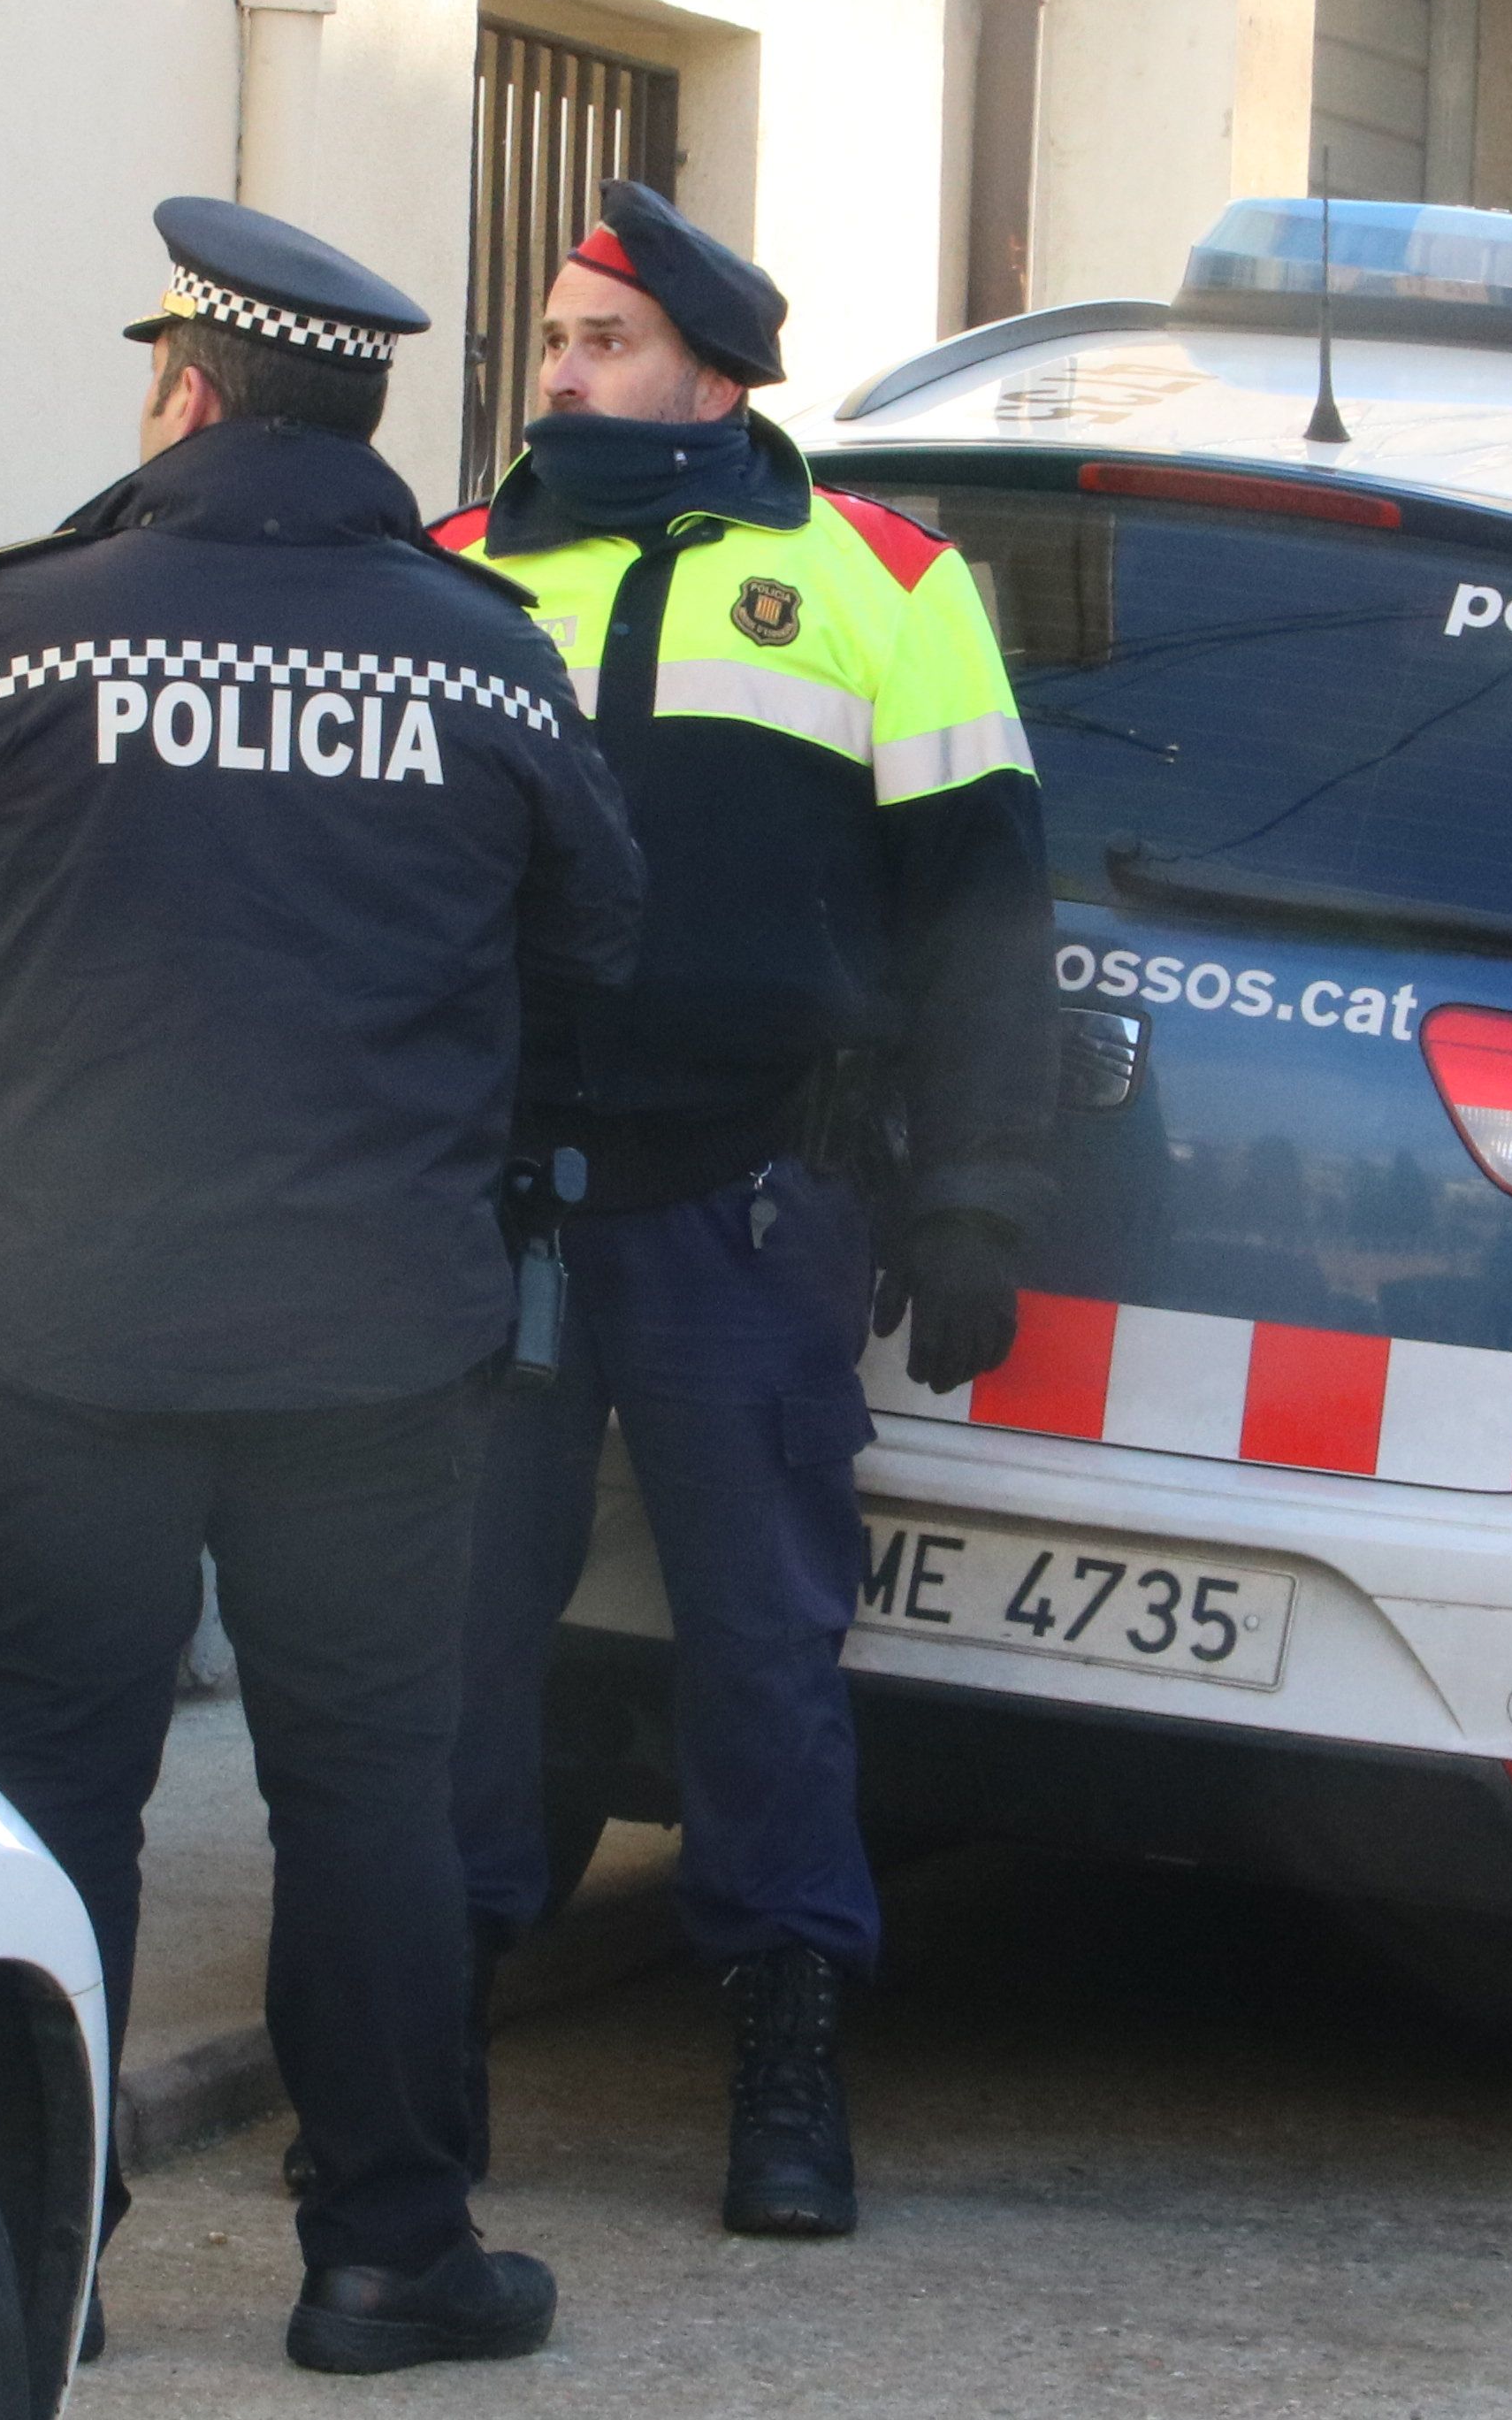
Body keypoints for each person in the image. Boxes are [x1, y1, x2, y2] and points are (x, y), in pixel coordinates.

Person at [0, 199, 641, 2378]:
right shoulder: (484, 654)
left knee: (56, 1781)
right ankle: (386, 2254)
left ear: (185, 390)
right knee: (366, 1790)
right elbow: (603, 936)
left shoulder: (18, 635)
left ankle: (39, 2252)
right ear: (355, 414)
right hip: (375, 1337)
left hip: (73, 1319)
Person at [434, 179, 1055, 2240]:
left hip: (746, 1201)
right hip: (490, 1204)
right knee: (453, 1636)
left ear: (711, 371)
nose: (561, 377)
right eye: (548, 343)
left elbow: (981, 923)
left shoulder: (883, 580)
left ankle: (785, 2057)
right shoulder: (448, 569)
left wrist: (973, 1196)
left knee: (763, 1655)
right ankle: (415, 2040)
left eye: (601, 345)